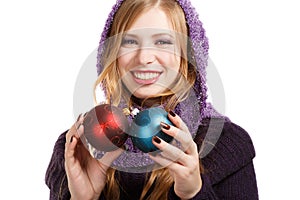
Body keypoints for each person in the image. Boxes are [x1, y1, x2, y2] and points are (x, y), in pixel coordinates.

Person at [45, 0, 259, 199]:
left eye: (163, 42)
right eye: (129, 41)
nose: (144, 58)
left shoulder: (226, 144)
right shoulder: (79, 149)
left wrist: (194, 192)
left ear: (189, 56)